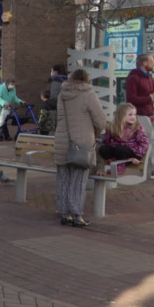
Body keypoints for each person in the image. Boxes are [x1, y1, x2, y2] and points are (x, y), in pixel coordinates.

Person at [54, 68, 107, 228]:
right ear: (86, 79)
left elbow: (60, 117)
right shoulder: (89, 94)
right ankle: (77, 215)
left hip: (63, 139)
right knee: (78, 180)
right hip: (82, 142)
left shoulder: (63, 94)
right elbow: (100, 120)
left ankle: (65, 214)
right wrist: (95, 131)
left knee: (63, 178)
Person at [125, 53, 154, 180]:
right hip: (138, 114)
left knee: (142, 141)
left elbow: (153, 87)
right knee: (152, 140)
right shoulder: (134, 78)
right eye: (152, 61)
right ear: (144, 63)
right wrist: (149, 98)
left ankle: (136, 164)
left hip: (146, 113)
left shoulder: (148, 77)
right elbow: (131, 98)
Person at [99, 102, 149, 175]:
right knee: (103, 149)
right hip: (117, 151)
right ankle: (114, 162)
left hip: (132, 151)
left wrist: (138, 157)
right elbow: (106, 140)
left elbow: (144, 143)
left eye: (134, 114)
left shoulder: (137, 127)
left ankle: (120, 167)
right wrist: (107, 147)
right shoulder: (113, 126)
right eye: (130, 115)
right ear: (121, 115)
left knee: (121, 149)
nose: (133, 117)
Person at [38, 64, 67, 135]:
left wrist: (46, 103)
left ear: (56, 72)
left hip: (54, 109)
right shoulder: (66, 82)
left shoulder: (55, 83)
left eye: (52, 71)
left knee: (46, 127)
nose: (51, 72)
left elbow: (54, 97)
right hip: (64, 108)